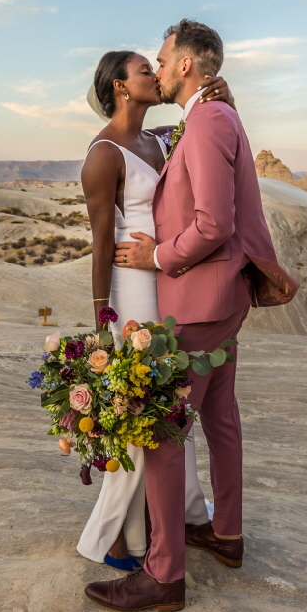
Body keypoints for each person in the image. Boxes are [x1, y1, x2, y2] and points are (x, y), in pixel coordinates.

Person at [84, 20, 298, 612]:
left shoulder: (204, 121)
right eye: (146, 65)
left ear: (184, 65)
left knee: (161, 432)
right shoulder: (214, 115)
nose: (156, 68)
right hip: (225, 297)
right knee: (221, 417)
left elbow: (213, 224)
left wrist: (155, 256)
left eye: (160, 59)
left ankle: (163, 576)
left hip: (197, 300)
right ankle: (225, 534)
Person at [74, 48, 234, 573]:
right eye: (145, 70)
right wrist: (102, 322)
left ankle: (180, 519)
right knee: (144, 409)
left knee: (173, 405)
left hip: (167, 279)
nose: (155, 74)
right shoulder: (103, 155)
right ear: (121, 87)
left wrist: (223, 96)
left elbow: (200, 129)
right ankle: (110, 536)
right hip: (132, 291)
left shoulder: (160, 138)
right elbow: (101, 244)